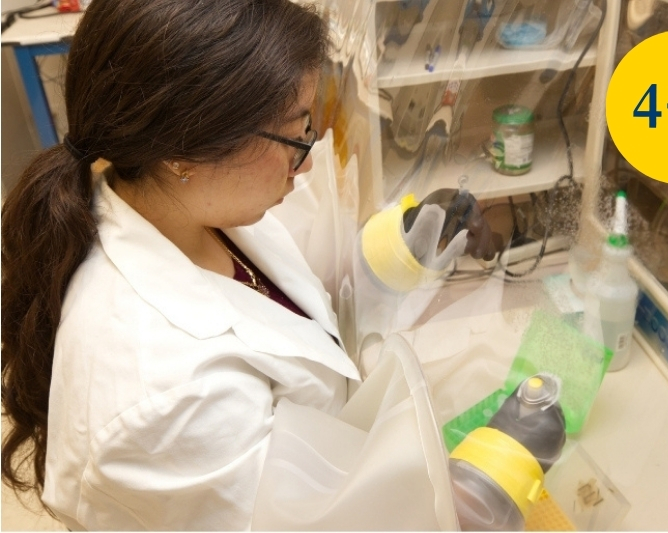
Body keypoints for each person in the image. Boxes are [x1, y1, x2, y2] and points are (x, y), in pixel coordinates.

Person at [1, 0, 498, 529]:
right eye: (294, 133)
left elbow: (284, 304)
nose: (304, 160)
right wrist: (466, 493)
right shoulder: (167, 402)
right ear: (183, 149)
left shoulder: (178, 202)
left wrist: (391, 261)